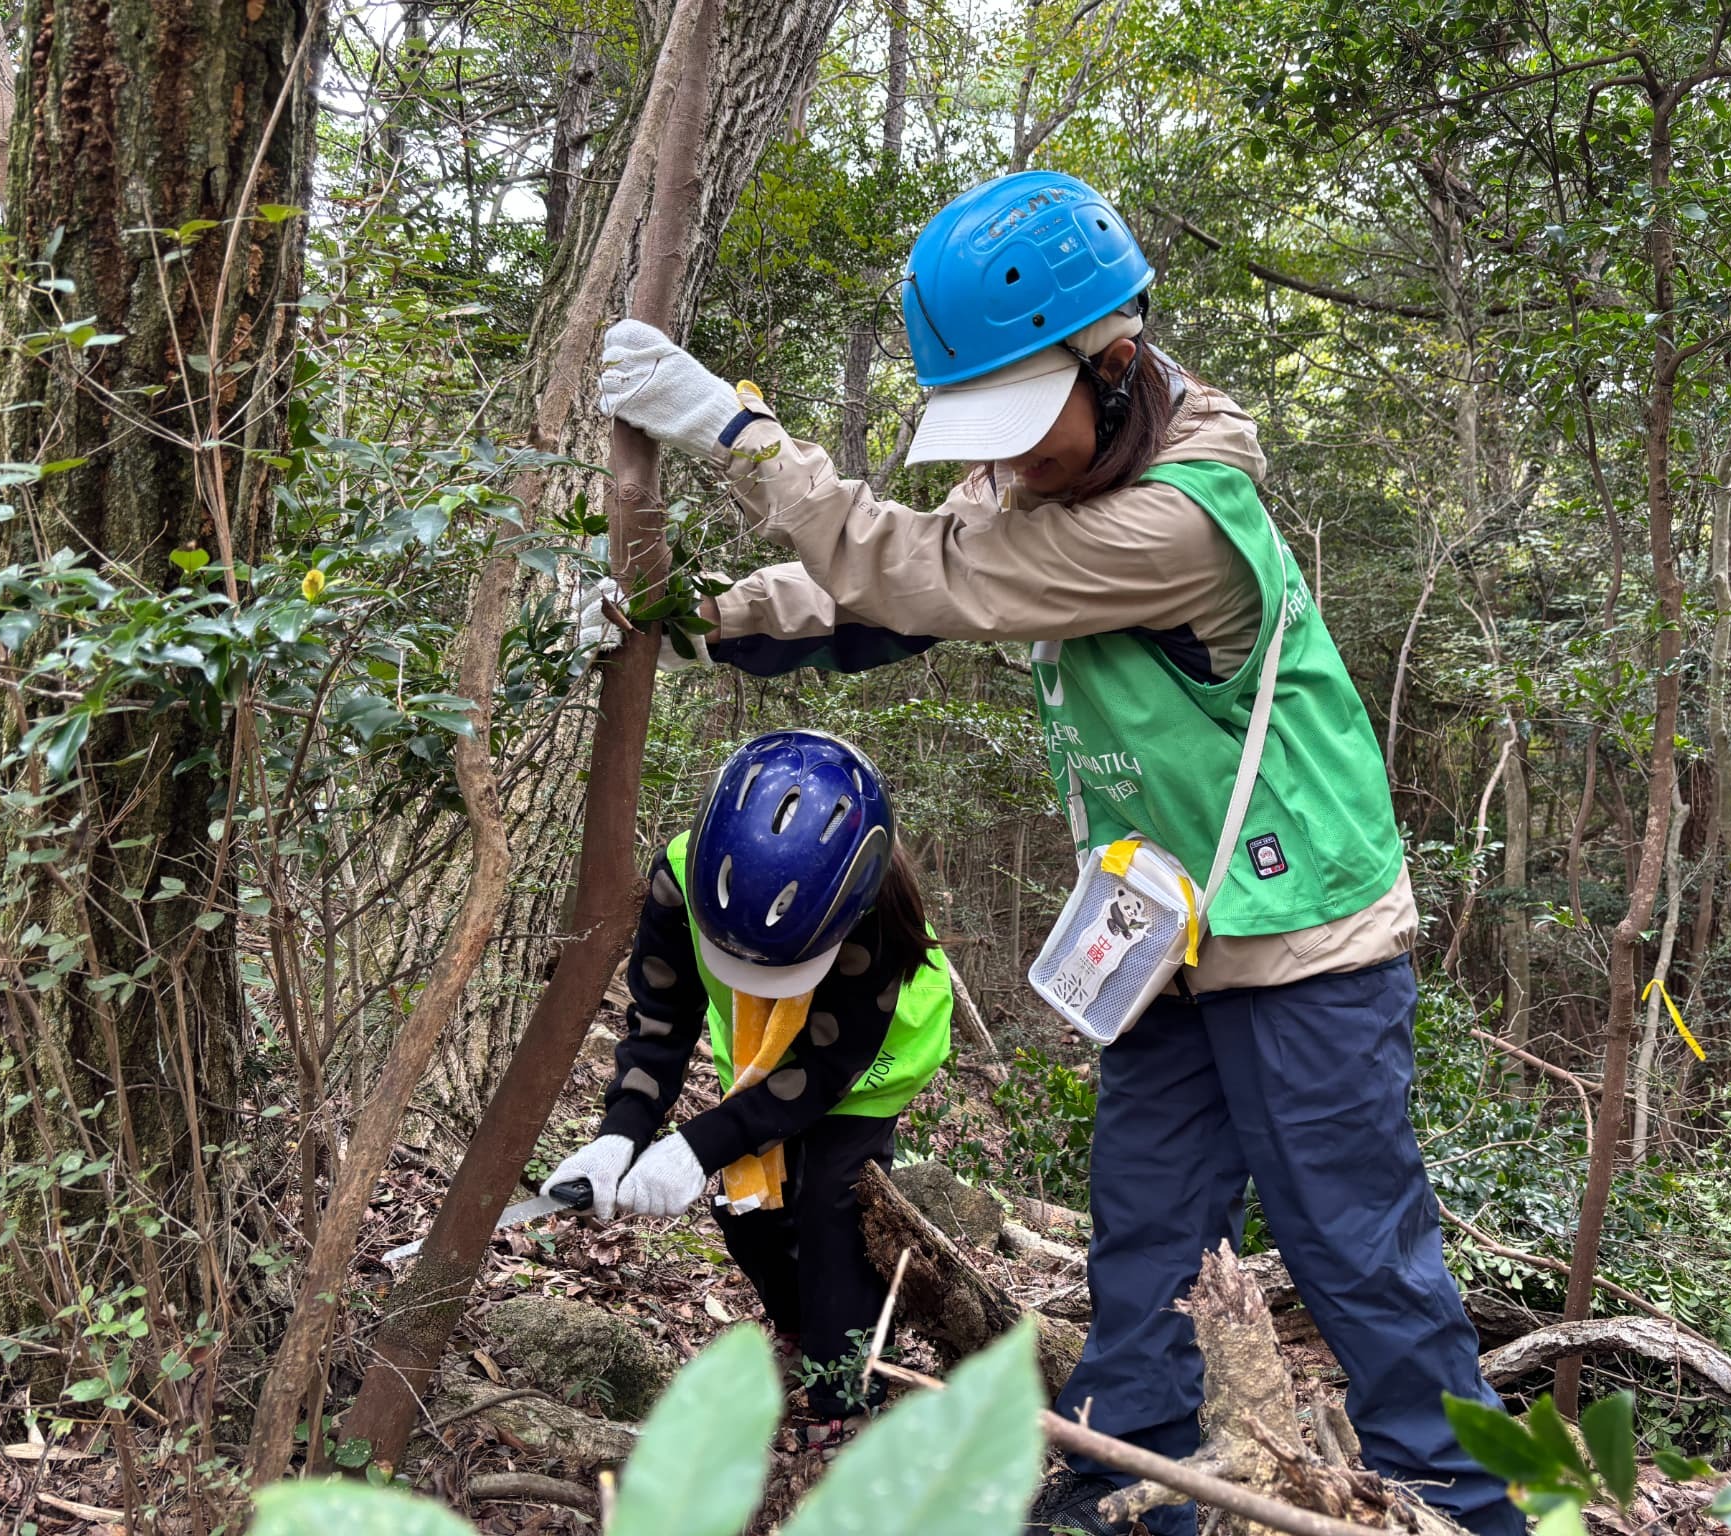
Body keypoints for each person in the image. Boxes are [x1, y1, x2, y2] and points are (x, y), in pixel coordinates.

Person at [590, 171, 1524, 1536]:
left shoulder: (1184, 520)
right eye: (996, 436)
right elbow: (876, 604)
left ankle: (1461, 1506)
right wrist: (678, 618)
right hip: (1168, 946)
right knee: (1145, 1246)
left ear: (1120, 363)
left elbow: (927, 576)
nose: (1013, 463)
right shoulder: (1050, 486)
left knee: (1357, 1254)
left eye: (1031, 428)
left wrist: (745, 438)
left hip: (1304, 936)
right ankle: (1125, 1499)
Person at [538, 728, 952, 1453]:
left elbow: (821, 1074)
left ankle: (843, 1391)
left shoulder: (877, 912)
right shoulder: (681, 876)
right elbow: (662, 1020)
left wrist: (695, 1143)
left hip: (870, 1061)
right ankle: (799, 1326)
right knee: (747, 1208)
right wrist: (621, 1133)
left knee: (829, 1208)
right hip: (763, 1054)